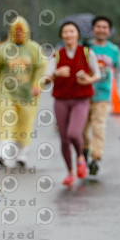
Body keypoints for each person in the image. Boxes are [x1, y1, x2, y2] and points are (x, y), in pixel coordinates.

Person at [44, 21, 100, 187]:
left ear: (77, 34)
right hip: (61, 100)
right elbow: (45, 79)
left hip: (81, 99)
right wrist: (55, 73)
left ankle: (81, 157)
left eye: (72, 31)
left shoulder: (86, 52)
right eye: (65, 32)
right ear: (62, 35)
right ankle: (70, 172)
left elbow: (97, 73)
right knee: (64, 139)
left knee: (74, 133)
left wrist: (89, 79)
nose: (68, 34)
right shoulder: (57, 55)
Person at [0, 16, 48, 167]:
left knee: (25, 124)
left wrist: (37, 84)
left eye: (21, 30)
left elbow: (41, 67)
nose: (19, 33)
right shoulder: (3, 49)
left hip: (28, 94)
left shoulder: (34, 49)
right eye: (16, 30)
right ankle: (0, 153)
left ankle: (22, 154)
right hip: (6, 92)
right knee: (5, 121)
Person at [82, 15, 120, 175]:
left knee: (99, 127)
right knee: (82, 130)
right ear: (93, 29)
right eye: (98, 26)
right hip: (83, 96)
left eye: (105, 27)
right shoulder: (86, 48)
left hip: (102, 95)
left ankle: (95, 158)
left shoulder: (113, 50)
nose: (101, 30)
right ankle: (85, 151)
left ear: (109, 31)